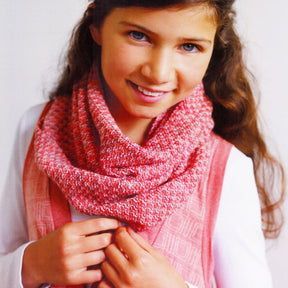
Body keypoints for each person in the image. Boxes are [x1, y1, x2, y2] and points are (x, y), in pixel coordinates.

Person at [0, 0, 285, 287]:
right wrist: (28, 265)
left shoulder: (226, 169)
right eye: (139, 35)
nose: (158, 72)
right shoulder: (37, 129)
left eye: (189, 46)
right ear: (97, 26)